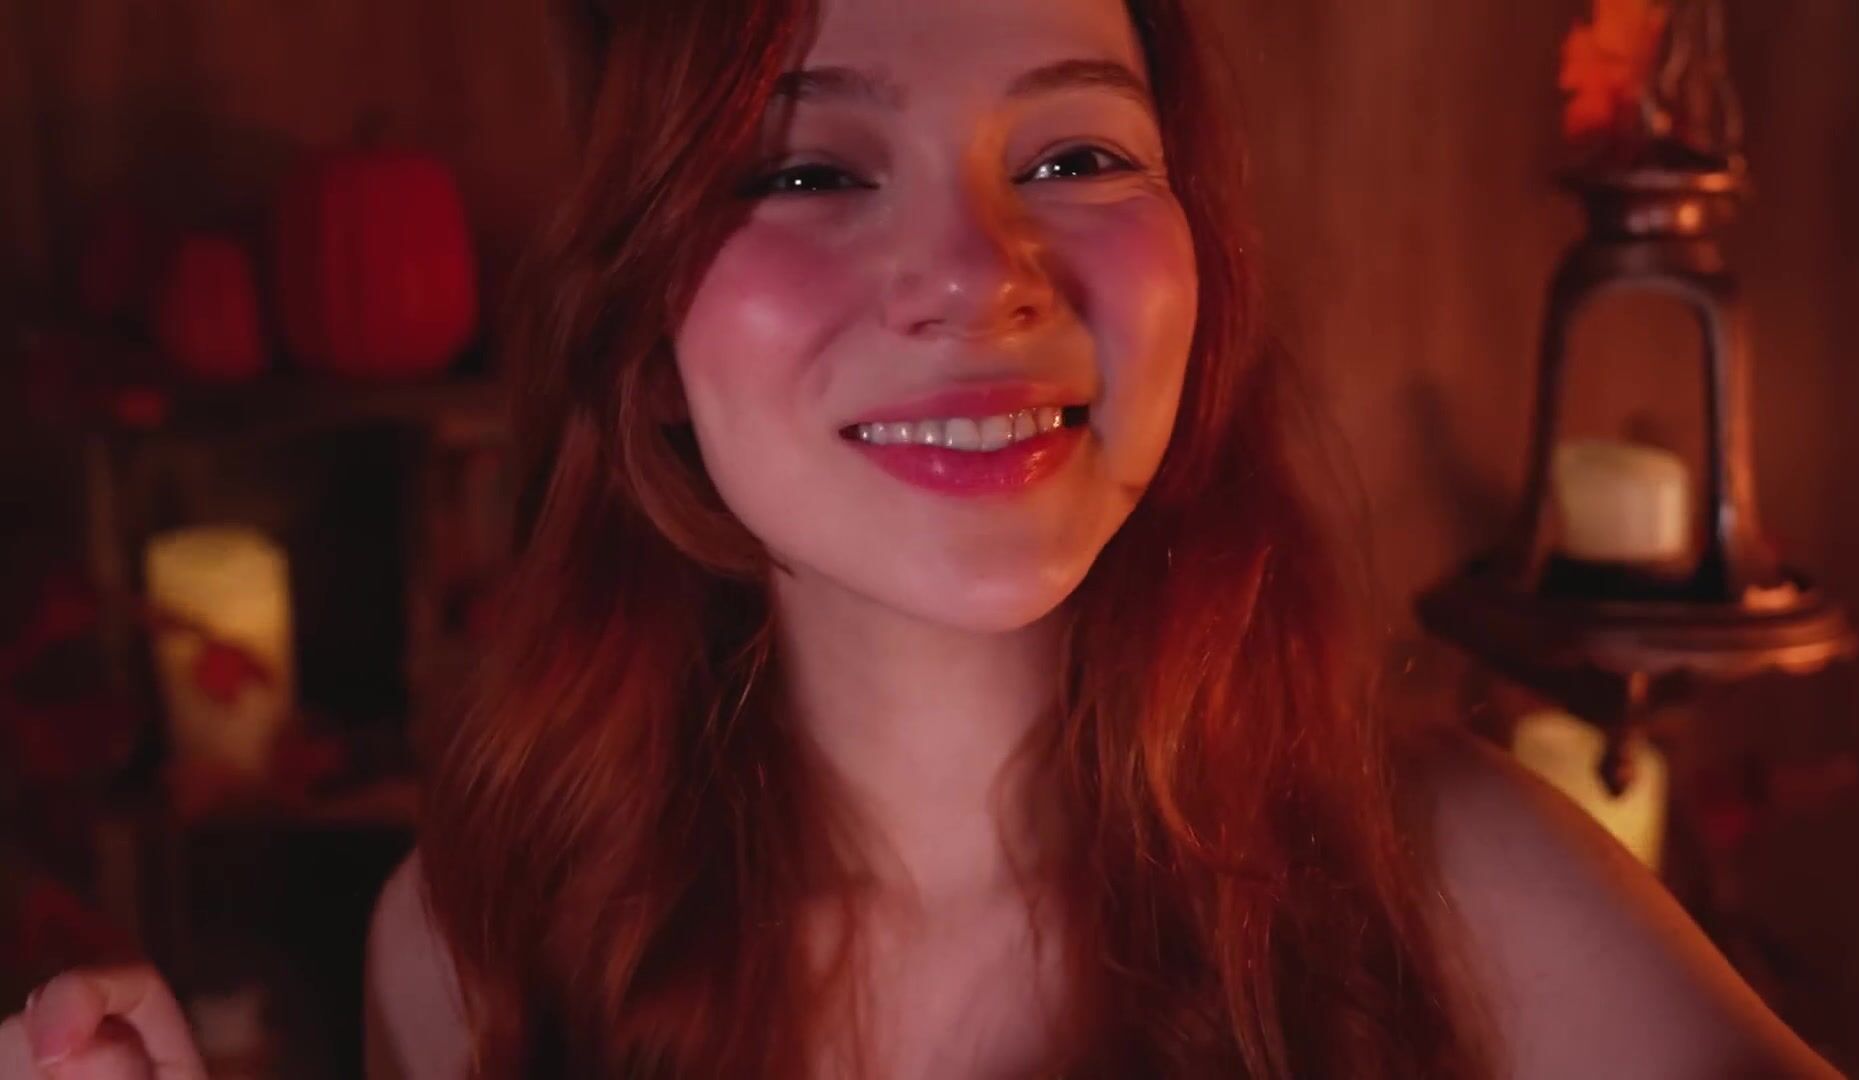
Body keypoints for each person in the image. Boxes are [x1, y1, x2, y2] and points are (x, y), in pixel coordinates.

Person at [0, 0, 1843, 1076]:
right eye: (809, 170)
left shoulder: (1461, 894)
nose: (983, 275)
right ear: (648, 327)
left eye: (1077, 158)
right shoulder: (470, 954)